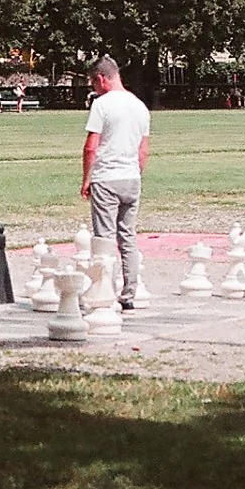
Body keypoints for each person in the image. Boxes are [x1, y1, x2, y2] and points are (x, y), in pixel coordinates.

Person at [80, 55, 151, 310]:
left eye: (93, 82)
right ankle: (129, 292)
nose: (94, 87)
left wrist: (86, 179)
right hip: (131, 177)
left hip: (106, 178)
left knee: (105, 238)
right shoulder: (140, 106)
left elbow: (91, 147)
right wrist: (136, 173)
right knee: (128, 236)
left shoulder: (102, 104)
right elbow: (144, 151)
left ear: (101, 79)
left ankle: (104, 292)